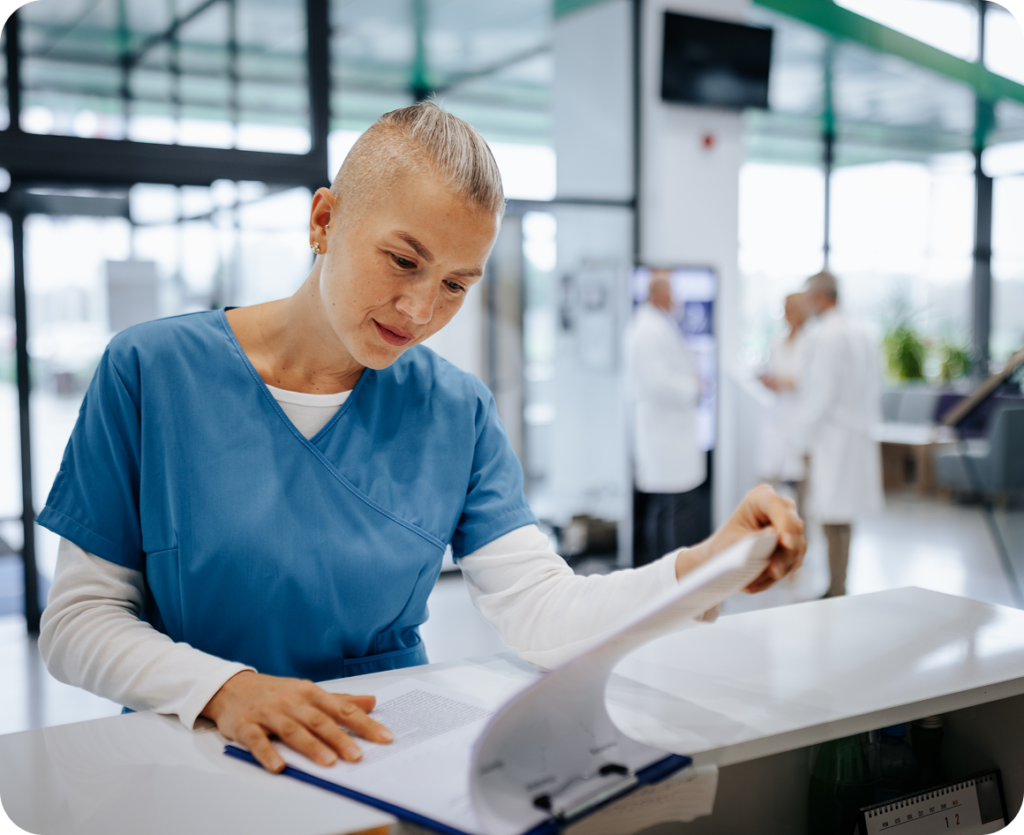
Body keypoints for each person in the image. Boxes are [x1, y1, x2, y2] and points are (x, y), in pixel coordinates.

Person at [37, 102, 805, 776]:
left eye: (455, 285)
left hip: (383, 755)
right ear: (324, 220)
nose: (419, 307)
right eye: (403, 260)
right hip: (196, 753)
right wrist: (222, 690)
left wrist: (705, 567)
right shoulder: (151, 372)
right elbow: (77, 623)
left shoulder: (455, 411)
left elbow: (542, 610)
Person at [799, 270, 884, 598]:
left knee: (833, 513)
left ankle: (836, 586)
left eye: (808, 297)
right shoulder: (861, 331)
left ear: (820, 296)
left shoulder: (828, 335)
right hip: (856, 435)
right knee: (842, 513)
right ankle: (838, 582)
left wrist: (803, 437)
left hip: (833, 437)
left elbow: (821, 393)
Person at [625, 270, 707, 566]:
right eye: (672, 291)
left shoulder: (657, 325)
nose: (676, 298)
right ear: (658, 294)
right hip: (664, 433)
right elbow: (657, 382)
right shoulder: (647, 330)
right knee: (673, 508)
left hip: (669, 433)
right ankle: (671, 579)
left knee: (668, 506)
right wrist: (693, 388)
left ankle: (667, 577)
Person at [759, 292, 810, 517]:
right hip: (779, 419)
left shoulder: (811, 342)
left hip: (802, 420)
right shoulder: (777, 344)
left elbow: (814, 381)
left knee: (803, 491)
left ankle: (801, 544)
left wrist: (788, 381)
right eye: (784, 310)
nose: (787, 315)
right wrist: (770, 381)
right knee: (769, 485)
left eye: (791, 309)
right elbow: (772, 373)